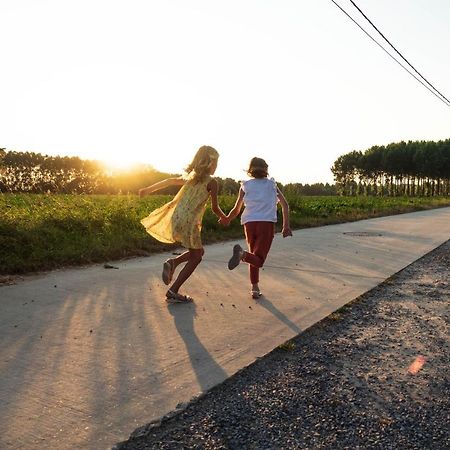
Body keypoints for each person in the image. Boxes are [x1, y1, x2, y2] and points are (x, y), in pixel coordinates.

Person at [139, 145, 227, 304]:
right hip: (190, 221)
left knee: (198, 252)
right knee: (197, 257)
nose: (216, 166)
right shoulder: (212, 183)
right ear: (209, 163)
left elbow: (168, 181)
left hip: (177, 217)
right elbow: (215, 207)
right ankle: (173, 290)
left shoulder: (190, 178)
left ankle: (173, 262)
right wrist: (225, 218)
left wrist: (147, 189)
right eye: (215, 163)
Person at [222, 157, 292, 299]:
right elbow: (285, 205)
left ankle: (254, 287)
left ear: (250, 170)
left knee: (254, 256)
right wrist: (286, 226)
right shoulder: (272, 185)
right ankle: (242, 255)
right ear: (266, 169)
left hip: (249, 223)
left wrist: (227, 219)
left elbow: (236, 209)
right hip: (265, 224)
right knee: (258, 259)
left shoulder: (245, 185)